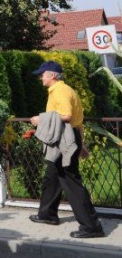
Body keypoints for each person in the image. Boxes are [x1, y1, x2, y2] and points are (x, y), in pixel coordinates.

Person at [28, 61, 104, 238]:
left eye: (42, 74)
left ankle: (92, 226)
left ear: (52, 75)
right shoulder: (66, 89)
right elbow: (77, 122)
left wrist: (41, 119)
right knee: (52, 176)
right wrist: (81, 144)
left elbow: (68, 116)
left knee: (71, 181)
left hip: (64, 140)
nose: (40, 78)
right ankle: (47, 214)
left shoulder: (60, 91)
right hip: (68, 138)